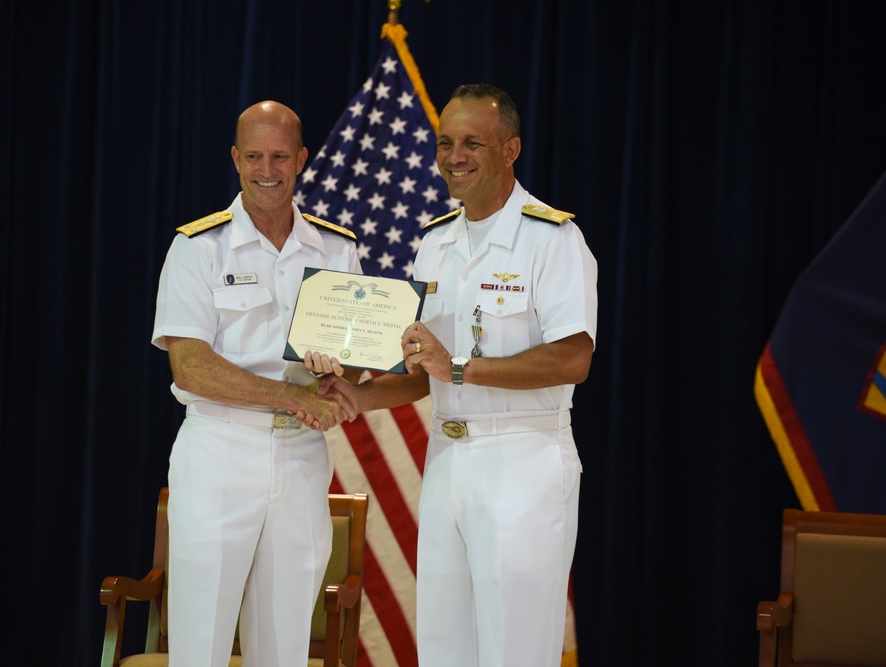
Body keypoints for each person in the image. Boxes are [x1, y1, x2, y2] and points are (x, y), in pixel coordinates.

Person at [305, 84, 598, 666]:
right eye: (445, 142)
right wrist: (358, 397)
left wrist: (459, 366)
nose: (453, 156)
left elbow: (573, 358)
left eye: (472, 143)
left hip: (523, 461)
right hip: (448, 461)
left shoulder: (553, 239)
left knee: (513, 650)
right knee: (443, 647)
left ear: (510, 150)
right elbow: (422, 373)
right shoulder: (435, 242)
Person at [151, 100, 363, 667]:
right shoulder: (197, 248)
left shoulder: (337, 250)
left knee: (286, 639)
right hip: (220, 450)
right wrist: (292, 396)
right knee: (201, 636)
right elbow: (190, 367)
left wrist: (340, 379)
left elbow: (358, 358)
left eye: (278, 156)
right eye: (253, 156)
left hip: (300, 455)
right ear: (234, 159)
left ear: (301, 160)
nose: (265, 169)